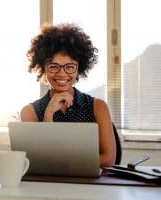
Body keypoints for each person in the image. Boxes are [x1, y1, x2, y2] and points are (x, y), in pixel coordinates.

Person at [20, 23, 116, 167]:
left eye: (69, 67)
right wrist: (49, 114)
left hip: (90, 185)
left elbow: (108, 159)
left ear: (79, 69)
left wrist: (63, 162)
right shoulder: (29, 112)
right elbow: (39, 159)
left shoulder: (98, 107)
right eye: (53, 66)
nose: (62, 73)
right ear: (43, 69)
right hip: (49, 185)